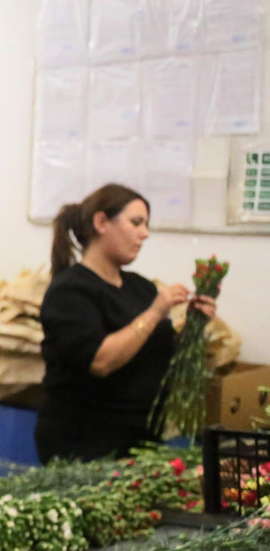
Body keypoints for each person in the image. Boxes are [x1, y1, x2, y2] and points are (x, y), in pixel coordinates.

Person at [37, 183, 216, 462]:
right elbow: (100, 361)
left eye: (146, 225)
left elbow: (156, 353)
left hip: (141, 439)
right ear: (101, 223)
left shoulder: (141, 288)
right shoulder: (70, 291)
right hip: (86, 443)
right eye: (136, 223)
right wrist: (154, 313)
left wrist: (195, 325)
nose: (144, 234)